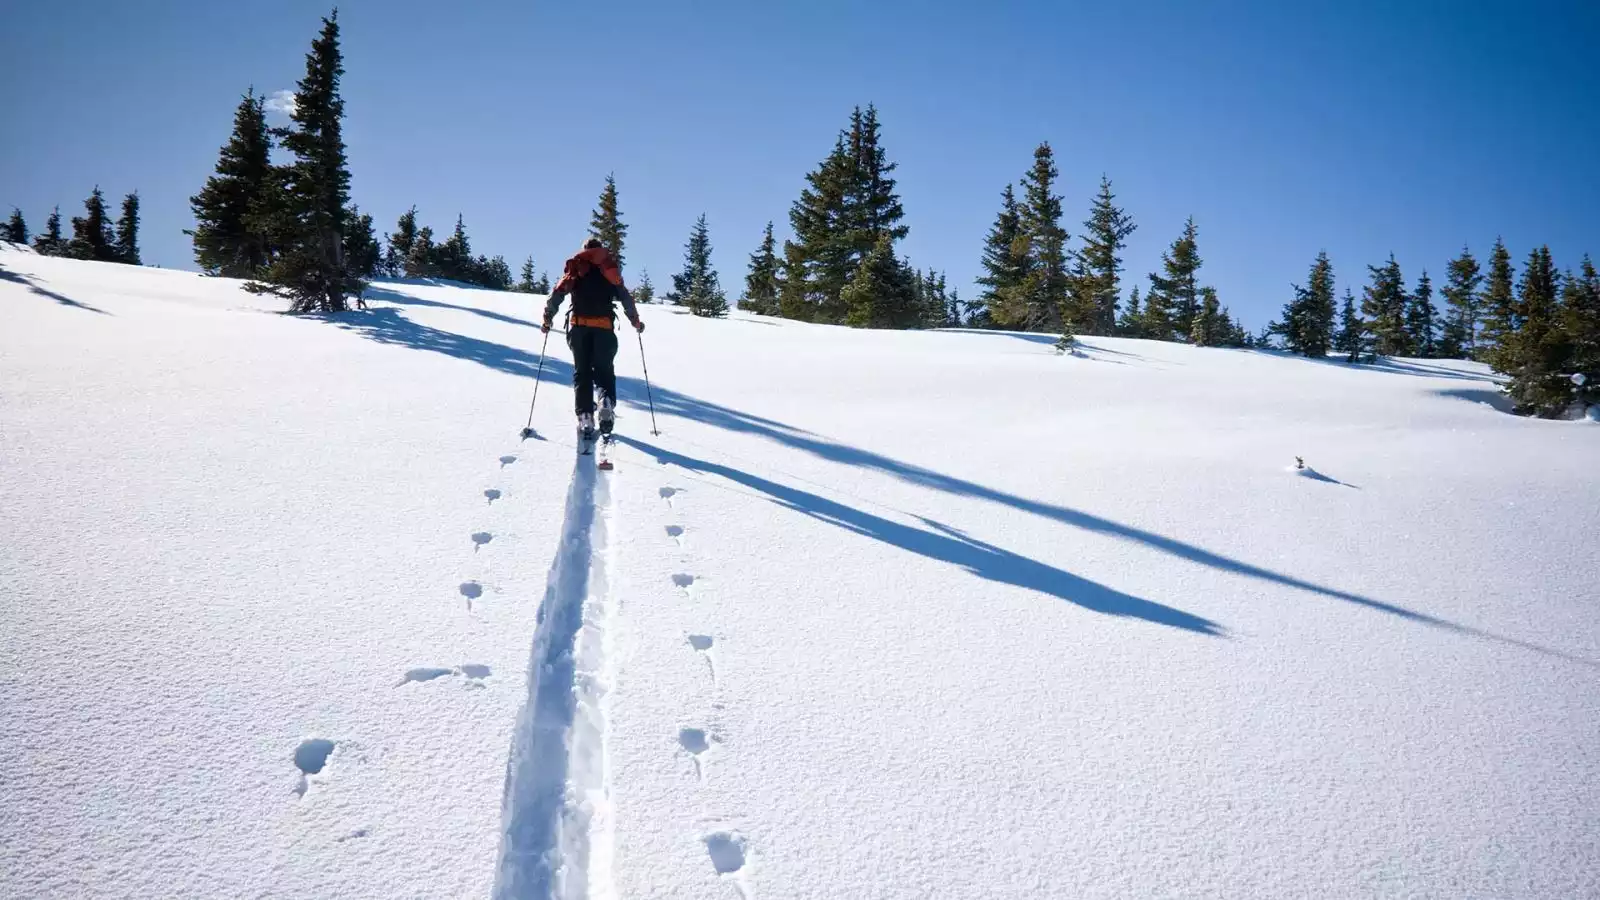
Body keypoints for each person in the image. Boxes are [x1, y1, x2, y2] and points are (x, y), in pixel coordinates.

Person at [541, 238, 644, 439]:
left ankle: (586, 416)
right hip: (604, 329)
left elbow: (558, 292)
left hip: (579, 328)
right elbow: (625, 297)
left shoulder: (578, 266)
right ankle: (605, 402)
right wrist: (635, 321)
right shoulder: (609, 269)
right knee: (605, 372)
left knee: (582, 372)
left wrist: (547, 318)